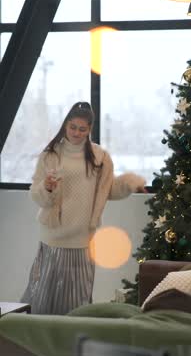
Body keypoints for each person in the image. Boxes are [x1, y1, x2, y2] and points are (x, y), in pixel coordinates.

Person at [21, 101, 146, 315]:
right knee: (43, 296)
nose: (76, 133)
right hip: (53, 238)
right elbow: (36, 193)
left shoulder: (100, 157)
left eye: (82, 129)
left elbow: (109, 189)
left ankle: (71, 343)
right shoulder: (50, 154)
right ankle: (39, 340)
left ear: (89, 130)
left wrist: (129, 183)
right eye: (72, 127)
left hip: (83, 240)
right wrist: (46, 188)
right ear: (65, 125)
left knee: (78, 301)